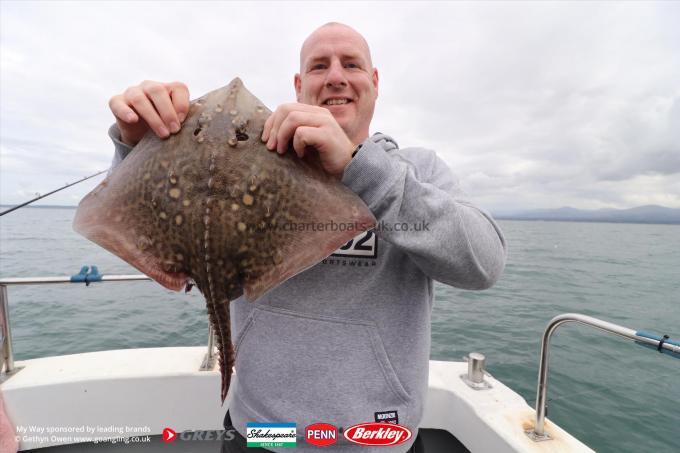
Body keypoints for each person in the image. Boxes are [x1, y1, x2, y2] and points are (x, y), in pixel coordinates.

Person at [108, 22, 507, 453]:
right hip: (262, 433)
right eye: (319, 66)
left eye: (351, 64)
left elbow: (484, 264)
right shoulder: (258, 164)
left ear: (374, 82)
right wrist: (140, 146)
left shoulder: (416, 170)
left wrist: (363, 170)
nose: (336, 75)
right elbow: (171, 259)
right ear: (299, 86)